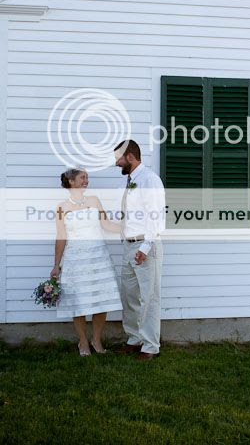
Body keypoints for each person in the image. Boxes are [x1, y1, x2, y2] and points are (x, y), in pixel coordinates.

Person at [51, 168, 123, 356]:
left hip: (98, 257)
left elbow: (106, 224)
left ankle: (96, 340)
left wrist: (129, 227)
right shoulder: (61, 207)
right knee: (78, 301)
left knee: (101, 299)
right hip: (75, 259)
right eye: (83, 177)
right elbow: (61, 236)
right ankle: (82, 342)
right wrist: (56, 265)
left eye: (87, 178)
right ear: (71, 181)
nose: (86, 180)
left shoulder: (94, 200)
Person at [114, 140, 166, 361]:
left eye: (118, 158)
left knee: (149, 297)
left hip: (146, 246)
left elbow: (156, 216)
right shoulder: (129, 181)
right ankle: (135, 339)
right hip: (129, 245)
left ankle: (151, 346)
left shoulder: (149, 180)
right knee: (130, 296)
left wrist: (145, 247)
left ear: (130, 157)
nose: (116, 163)